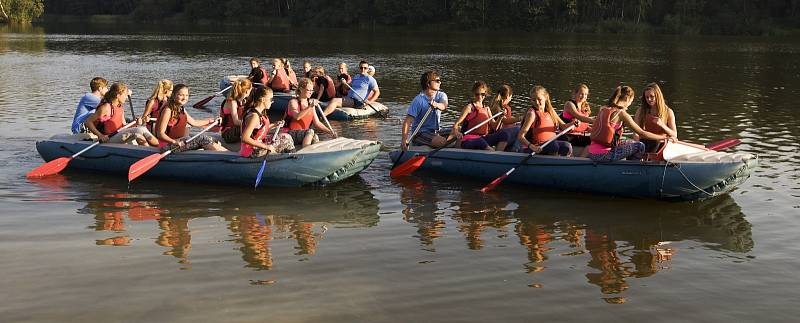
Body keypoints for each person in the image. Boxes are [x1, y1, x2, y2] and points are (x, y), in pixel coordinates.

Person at [587, 85, 669, 162]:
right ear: (627, 99)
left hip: (592, 153)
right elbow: (642, 133)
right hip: (603, 155)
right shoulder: (621, 113)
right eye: (631, 101)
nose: (629, 105)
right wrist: (662, 137)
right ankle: (632, 168)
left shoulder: (604, 108)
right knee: (640, 146)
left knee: (630, 142)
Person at [155, 84, 227, 152]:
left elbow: (194, 123)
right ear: (173, 95)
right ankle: (227, 155)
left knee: (211, 139)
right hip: (168, 146)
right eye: (181, 95)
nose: (184, 98)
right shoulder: (168, 110)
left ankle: (228, 153)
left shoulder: (180, 108)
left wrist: (212, 120)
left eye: (186, 95)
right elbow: (160, 134)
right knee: (202, 139)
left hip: (179, 141)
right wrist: (174, 142)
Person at [84, 82, 159, 146]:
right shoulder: (106, 107)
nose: (126, 97)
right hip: (108, 138)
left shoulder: (120, 107)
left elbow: (124, 126)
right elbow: (88, 122)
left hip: (117, 135)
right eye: (125, 95)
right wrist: (100, 135)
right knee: (141, 129)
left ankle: (148, 151)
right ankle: (159, 146)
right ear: (118, 95)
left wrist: (137, 123)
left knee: (138, 133)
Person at [517, 85, 579, 156]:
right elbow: (520, 136)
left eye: (539, 99)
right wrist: (532, 146)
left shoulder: (550, 110)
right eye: (533, 100)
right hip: (534, 148)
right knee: (553, 146)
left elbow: (564, 126)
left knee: (567, 146)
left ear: (545, 97)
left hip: (548, 145)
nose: (536, 102)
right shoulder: (531, 114)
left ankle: (559, 163)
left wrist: (573, 123)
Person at [451, 81, 508, 151]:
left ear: (485, 94)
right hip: (468, 140)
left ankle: (498, 156)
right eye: (477, 94)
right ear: (473, 93)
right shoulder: (469, 107)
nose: (480, 96)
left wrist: (500, 117)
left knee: (504, 135)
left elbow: (495, 127)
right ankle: (493, 154)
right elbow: (456, 124)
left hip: (483, 138)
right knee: (480, 141)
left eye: (482, 94)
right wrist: (457, 132)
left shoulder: (487, 109)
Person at [240, 87, 294, 158]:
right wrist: (266, 146)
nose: (272, 102)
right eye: (271, 99)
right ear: (263, 99)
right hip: (251, 151)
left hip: (257, 145)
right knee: (287, 139)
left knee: (285, 136)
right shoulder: (254, 116)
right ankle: (293, 159)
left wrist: (275, 124)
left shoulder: (259, 112)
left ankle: (287, 157)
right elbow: (244, 138)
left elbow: (259, 130)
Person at [401, 71, 449, 150]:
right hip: (420, 133)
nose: (440, 82)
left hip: (436, 131)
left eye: (439, 80)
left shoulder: (441, 95)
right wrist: (404, 140)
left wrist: (436, 105)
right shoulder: (419, 100)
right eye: (437, 81)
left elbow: (444, 105)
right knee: (442, 142)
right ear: (428, 84)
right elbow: (407, 121)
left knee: (459, 131)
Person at [283, 78, 336, 148]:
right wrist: (310, 106)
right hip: (289, 134)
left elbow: (317, 123)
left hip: (303, 134)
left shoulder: (310, 104)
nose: (311, 92)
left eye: (312, 90)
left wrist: (330, 132)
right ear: (301, 89)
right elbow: (297, 117)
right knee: (310, 131)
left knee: (315, 136)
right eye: (308, 90)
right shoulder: (293, 102)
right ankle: (306, 150)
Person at [633, 83, 678, 153]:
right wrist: (636, 141)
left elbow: (674, 134)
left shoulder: (668, 112)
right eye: (647, 97)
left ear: (658, 96)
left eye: (652, 96)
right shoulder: (641, 110)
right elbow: (636, 131)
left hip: (661, 144)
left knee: (656, 141)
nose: (649, 99)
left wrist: (662, 125)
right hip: (645, 142)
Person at [561, 84, 595, 149]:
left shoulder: (585, 107)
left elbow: (584, 125)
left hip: (578, 136)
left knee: (598, 140)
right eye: (581, 94)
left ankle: (583, 157)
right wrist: (595, 120)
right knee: (593, 141)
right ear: (575, 93)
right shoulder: (569, 104)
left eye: (585, 94)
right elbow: (580, 117)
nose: (584, 96)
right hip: (568, 136)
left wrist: (594, 130)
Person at [219, 79, 253, 143]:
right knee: (249, 127)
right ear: (247, 91)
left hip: (234, 130)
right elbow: (236, 122)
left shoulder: (242, 101)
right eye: (251, 90)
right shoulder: (232, 102)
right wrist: (251, 125)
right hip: (227, 133)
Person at [489, 84, 522, 151]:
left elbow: (508, 118)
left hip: (505, 130)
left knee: (521, 125)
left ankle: (514, 148)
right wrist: (519, 118)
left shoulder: (505, 107)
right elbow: (505, 121)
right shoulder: (497, 107)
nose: (511, 98)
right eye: (511, 96)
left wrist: (517, 121)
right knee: (520, 129)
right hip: (498, 132)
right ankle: (514, 150)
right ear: (507, 96)